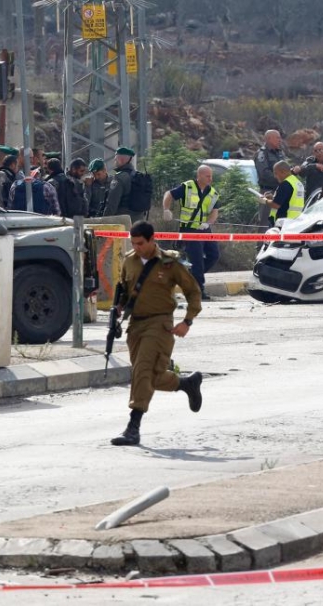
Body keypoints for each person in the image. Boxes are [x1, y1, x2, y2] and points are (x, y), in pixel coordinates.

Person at [110, 221, 204, 446]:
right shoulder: (129, 261)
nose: (137, 247)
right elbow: (124, 291)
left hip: (160, 324)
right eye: (133, 243)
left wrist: (187, 321)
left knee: (142, 371)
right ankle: (185, 384)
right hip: (136, 325)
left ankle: (133, 427)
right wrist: (119, 308)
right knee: (148, 376)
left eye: (141, 243)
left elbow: (193, 291)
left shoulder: (169, 263)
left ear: (152, 240)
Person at [162, 164, 220, 300]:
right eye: (208, 176)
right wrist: (166, 209)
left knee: (214, 255)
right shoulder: (187, 187)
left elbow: (214, 212)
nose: (211, 179)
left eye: (211, 176)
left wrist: (208, 223)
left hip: (204, 229)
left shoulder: (212, 193)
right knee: (197, 259)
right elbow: (169, 195)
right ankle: (198, 290)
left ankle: (190, 275)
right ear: (199, 176)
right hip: (189, 229)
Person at [253, 130, 288, 225]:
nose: (280, 140)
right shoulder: (262, 153)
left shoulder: (280, 153)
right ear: (268, 139)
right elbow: (264, 173)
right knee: (265, 222)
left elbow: (286, 168)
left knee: (279, 221)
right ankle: (262, 240)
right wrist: (282, 177)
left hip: (280, 191)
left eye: (280, 137)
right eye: (277, 137)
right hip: (268, 192)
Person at [103, 147, 145, 223]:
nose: (114, 161)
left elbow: (112, 205)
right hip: (139, 222)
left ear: (121, 160)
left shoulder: (119, 177)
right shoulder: (140, 176)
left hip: (123, 223)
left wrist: (104, 221)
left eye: (115, 159)